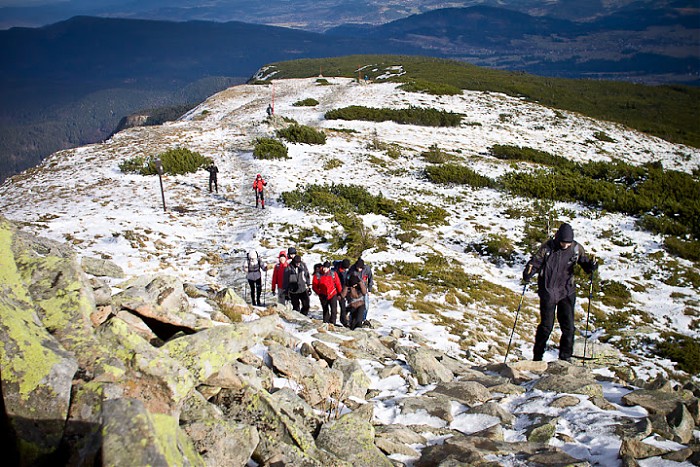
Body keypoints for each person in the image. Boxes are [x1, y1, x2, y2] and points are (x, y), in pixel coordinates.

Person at [523, 223, 598, 362]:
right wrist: (528, 273)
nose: (565, 245)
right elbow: (536, 261)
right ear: (558, 239)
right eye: (563, 242)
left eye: (568, 243)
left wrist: (591, 266)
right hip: (548, 290)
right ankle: (537, 358)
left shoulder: (576, 248)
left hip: (567, 290)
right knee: (546, 327)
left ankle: (565, 358)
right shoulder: (548, 247)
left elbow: (585, 263)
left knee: (568, 327)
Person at [313, 261, 343, 325]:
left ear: (329, 268)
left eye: (326, 268)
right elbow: (314, 286)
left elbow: (338, 284)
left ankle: (333, 323)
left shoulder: (333, 274)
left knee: (334, 310)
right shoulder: (318, 275)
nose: (325, 269)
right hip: (323, 295)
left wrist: (340, 293)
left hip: (332, 293)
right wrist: (319, 293)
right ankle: (325, 322)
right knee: (325, 309)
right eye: (324, 267)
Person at [349, 258, 373, 322]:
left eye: (361, 268)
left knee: (366, 306)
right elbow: (348, 278)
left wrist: (370, 290)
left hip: (364, 289)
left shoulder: (367, 269)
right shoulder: (352, 269)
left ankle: (363, 319)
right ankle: (351, 319)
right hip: (355, 290)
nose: (359, 269)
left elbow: (370, 279)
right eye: (358, 268)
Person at [332, 259, 351, 326]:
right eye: (345, 268)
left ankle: (344, 319)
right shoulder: (335, 271)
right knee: (340, 305)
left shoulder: (347, 270)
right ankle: (342, 321)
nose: (346, 269)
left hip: (345, 289)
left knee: (350, 304)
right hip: (337, 290)